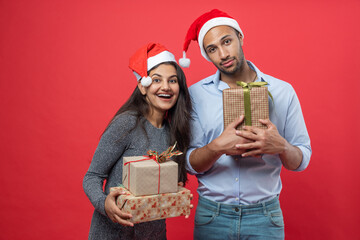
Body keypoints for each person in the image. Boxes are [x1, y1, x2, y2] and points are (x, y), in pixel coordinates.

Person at [178, 9, 312, 239]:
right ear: (207, 55)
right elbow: (189, 163)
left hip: (265, 217)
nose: (222, 54)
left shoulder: (282, 91)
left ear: (240, 37)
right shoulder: (195, 95)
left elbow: (302, 159)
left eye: (227, 41)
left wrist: (281, 146)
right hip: (213, 216)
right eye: (212, 49)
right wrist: (216, 147)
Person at [83, 43, 192, 240]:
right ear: (143, 86)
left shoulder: (173, 132)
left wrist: (175, 192)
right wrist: (104, 203)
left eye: (172, 80)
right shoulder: (127, 123)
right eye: (157, 79)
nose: (166, 87)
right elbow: (92, 176)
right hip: (112, 234)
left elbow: (163, 187)